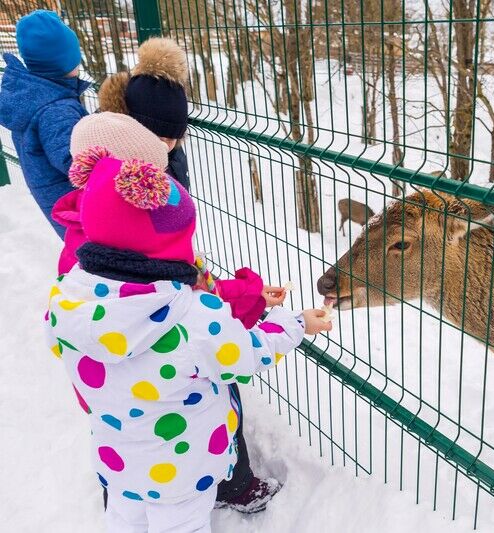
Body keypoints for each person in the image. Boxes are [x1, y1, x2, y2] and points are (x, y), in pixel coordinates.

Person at [46, 111, 332, 531]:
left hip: (117, 456)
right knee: (180, 522)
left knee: (124, 516)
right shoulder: (192, 316)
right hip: (182, 466)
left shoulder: (66, 297)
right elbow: (247, 355)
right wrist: (296, 324)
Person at [0, 10, 89, 238]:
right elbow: (77, 164)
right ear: (64, 62)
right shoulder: (56, 110)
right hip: (79, 210)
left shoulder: (38, 97)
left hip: (60, 203)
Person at [97, 37, 190, 189]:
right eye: (157, 137)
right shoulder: (119, 167)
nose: (164, 145)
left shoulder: (175, 156)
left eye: (171, 138)